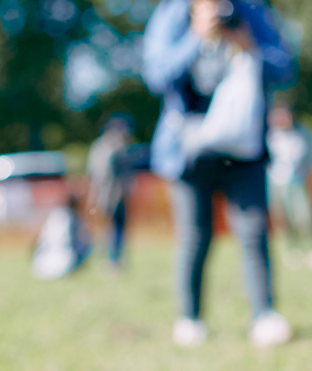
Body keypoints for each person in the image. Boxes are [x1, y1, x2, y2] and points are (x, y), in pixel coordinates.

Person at [143, 0, 296, 348]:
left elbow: (285, 68)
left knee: (255, 230)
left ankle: (264, 316)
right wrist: (196, 37)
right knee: (195, 236)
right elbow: (156, 76)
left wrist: (247, 44)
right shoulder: (171, 15)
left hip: (244, 147)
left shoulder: (250, 10)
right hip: (188, 151)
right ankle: (191, 318)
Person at [265, 104, 312, 273]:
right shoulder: (268, 136)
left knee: (304, 217)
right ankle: (292, 251)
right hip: (275, 183)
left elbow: (309, 158)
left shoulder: (301, 134)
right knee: (282, 219)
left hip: (297, 181)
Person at [86, 114, 134, 272]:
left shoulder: (98, 147)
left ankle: (112, 261)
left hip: (108, 195)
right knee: (112, 229)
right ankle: (112, 261)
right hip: (112, 195)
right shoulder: (115, 147)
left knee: (112, 229)